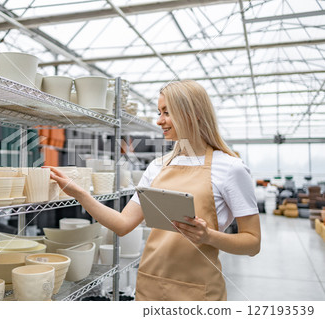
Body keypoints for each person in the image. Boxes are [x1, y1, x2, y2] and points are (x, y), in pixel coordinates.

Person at [48, 80, 261, 301]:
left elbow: (253, 243)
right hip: (150, 284)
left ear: (194, 113)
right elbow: (122, 225)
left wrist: (209, 236)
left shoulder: (230, 168)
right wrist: (80, 193)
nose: (160, 121)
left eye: (167, 113)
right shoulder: (158, 166)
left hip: (197, 291)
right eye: (159, 112)